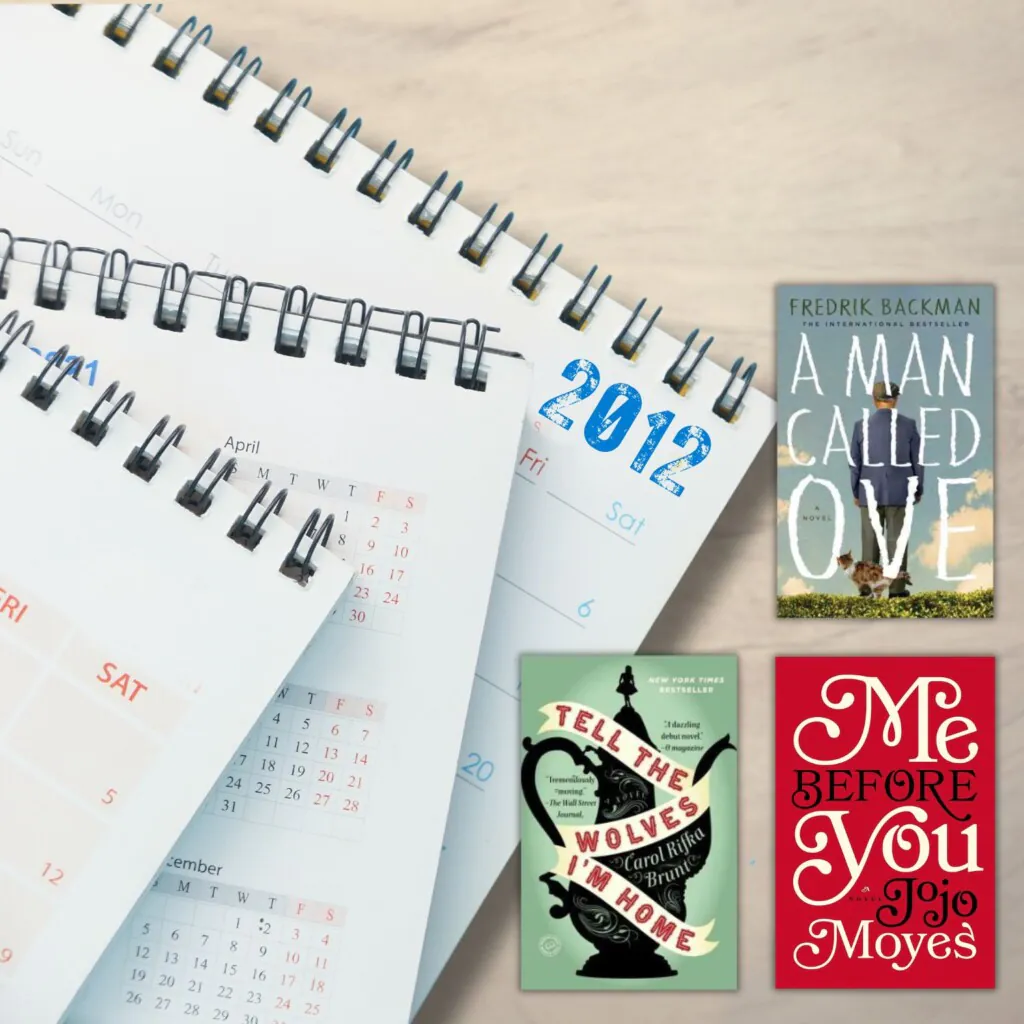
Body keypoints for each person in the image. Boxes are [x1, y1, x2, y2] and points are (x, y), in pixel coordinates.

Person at [849, 381, 923, 598]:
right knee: (897, 543)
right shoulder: (909, 425)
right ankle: (898, 590)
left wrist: (855, 491)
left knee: (870, 541)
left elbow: (855, 462)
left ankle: (867, 589)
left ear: (874, 399)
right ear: (896, 399)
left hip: (868, 491)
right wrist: (918, 488)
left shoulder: (859, 426)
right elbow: (917, 460)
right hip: (900, 491)